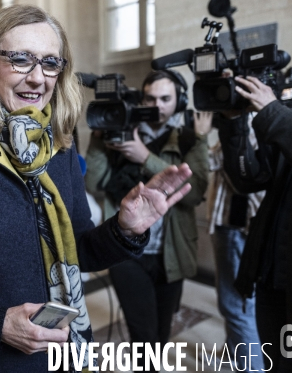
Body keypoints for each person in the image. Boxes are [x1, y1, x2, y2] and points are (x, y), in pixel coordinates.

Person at [0, 4, 194, 372]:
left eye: (50, 63)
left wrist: (124, 229)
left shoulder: (58, 149)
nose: (37, 77)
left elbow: (79, 252)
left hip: (62, 356)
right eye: (20, 59)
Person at [85, 69, 210, 371]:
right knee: (143, 337)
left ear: (179, 101)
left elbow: (195, 193)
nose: (157, 105)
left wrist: (144, 157)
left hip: (172, 253)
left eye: (165, 98)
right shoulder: (121, 132)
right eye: (150, 98)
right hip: (128, 255)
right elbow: (92, 183)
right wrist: (100, 139)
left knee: (161, 333)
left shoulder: (192, 137)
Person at [217, 39, 292, 372]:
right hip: (273, 275)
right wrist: (234, 122)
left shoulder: (285, 116)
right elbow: (249, 178)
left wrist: (272, 114)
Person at [206, 132, 265, 371]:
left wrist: (199, 136)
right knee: (242, 302)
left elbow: (212, 161)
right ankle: (234, 349)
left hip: (235, 225)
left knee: (236, 306)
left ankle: (251, 364)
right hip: (244, 225)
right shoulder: (258, 120)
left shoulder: (245, 125)